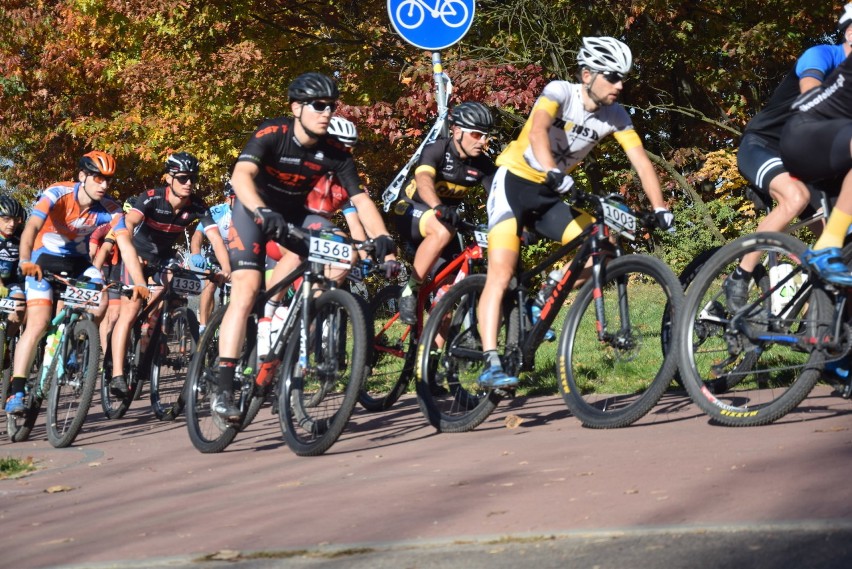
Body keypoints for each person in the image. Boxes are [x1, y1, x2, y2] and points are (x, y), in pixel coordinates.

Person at [475, 36, 672, 389]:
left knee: (603, 248)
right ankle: (491, 361)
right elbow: (537, 130)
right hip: (514, 185)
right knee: (501, 273)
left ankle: (543, 296)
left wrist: (660, 207)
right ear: (586, 74)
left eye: (623, 77)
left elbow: (641, 162)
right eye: (612, 76)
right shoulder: (560, 92)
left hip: (550, 195)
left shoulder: (616, 115)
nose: (620, 85)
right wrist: (551, 170)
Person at [216, 72, 398, 420]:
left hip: (298, 216)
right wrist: (261, 210)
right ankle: (224, 384)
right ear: (296, 107)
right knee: (246, 289)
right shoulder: (274, 133)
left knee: (340, 252)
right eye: (318, 105)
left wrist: (384, 243)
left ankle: (295, 319)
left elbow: (360, 200)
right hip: (254, 210)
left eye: (331, 106)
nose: (326, 112)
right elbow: (240, 177)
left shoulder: (335, 153)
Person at [725, 3, 852, 311]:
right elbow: (811, 88)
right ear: (849, 32)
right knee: (794, 198)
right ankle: (740, 276)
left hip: (811, 163)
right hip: (765, 145)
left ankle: (812, 318)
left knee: (839, 243)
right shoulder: (822, 54)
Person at [4, 151, 149, 416]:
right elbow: (31, 228)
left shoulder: (111, 209)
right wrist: (25, 260)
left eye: (108, 180)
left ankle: (75, 341)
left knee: (100, 300)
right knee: (37, 323)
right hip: (42, 260)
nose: (104, 185)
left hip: (79, 265)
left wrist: (140, 282)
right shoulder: (57, 194)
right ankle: (17, 391)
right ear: (82, 177)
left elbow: (126, 246)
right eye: (97, 178)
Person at [107, 152, 231, 396]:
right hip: (138, 255)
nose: (188, 184)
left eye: (192, 179)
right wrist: (129, 251)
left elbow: (215, 238)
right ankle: (117, 375)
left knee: (178, 288)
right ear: (169, 178)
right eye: (183, 178)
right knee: (131, 310)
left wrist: (225, 270)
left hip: (165, 257)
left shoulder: (197, 205)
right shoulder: (151, 198)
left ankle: (165, 325)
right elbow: (128, 226)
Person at [392, 101, 497, 324]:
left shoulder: (483, 165)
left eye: (486, 136)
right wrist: (437, 206)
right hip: (410, 212)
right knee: (442, 229)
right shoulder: (437, 150)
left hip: (444, 223)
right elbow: (424, 181)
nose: (483, 141)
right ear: (457, 130)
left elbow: (499, 199)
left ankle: (429, 354)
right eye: (477, 135)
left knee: (446, 298)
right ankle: (410, 291)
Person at [189, 181, 235, 334]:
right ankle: (203, 327)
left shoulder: (250, 213)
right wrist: (196, 254)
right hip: (215, 255)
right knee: (210, 283)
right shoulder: (216, 212)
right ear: (228, 199)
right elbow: (198, 235)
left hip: (237, 255)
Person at [0, 196, 28, 332]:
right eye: (6, 219)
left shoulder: (21, 236)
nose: (12, 224)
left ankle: (5, 345)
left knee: (21, 306)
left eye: (15, 219)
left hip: (11, 282)